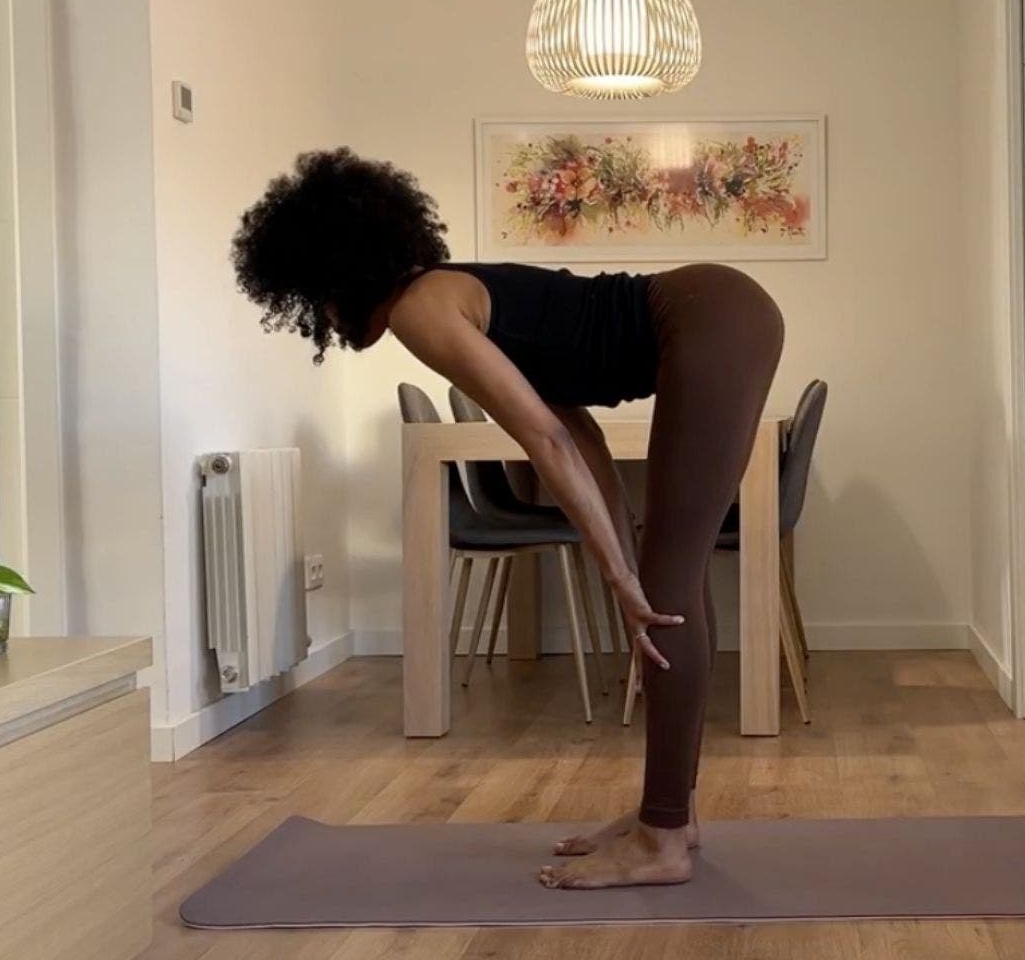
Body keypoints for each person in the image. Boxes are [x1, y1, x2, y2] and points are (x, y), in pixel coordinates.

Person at [231, 148, 783, 889]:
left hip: (715, 317)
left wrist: (625, 577)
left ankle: (662, 838)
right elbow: (575, 429)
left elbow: (544, 439)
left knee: (667, 591)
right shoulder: (460, 297)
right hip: (719, 311)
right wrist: (621, 562)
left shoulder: (423, 311)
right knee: (663, 587)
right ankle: (670, 818)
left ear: (338, 272)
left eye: (316, 298)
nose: (323, 318)